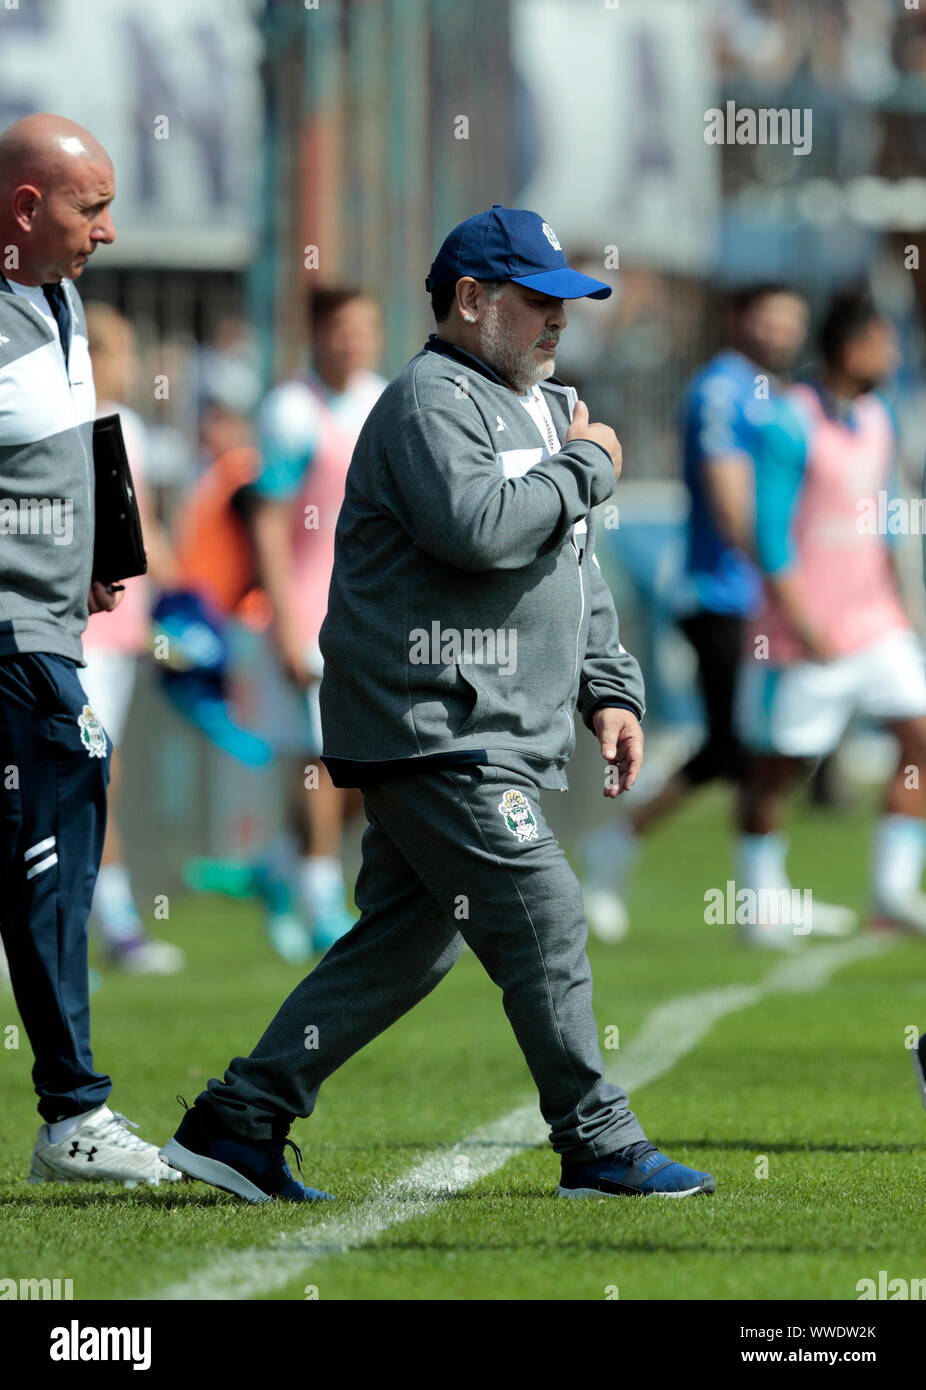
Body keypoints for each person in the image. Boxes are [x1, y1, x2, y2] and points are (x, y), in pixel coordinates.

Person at [161, 205, 716, 1202]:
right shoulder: (429, 398)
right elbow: (477, 529)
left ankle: (240, 1117)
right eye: (535, 300)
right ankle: (596, 1141)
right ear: (469, 299)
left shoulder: (547, 408)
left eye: (567, 303)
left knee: (406, 947)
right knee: (542, 909)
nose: (557, 320)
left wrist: (609, 686)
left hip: (489, 726)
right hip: (433, 720)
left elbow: (571, 564)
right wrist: (589, 463)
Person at [0, 113, 180, 1185]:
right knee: (55, 852)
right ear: (26, 208)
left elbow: (48, 460)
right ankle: (73, 1114)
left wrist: (88, 555)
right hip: (15, 643)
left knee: (45, 856)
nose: (107, 232)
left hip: (49, 620)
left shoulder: (58, 299)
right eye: (90, 207)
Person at [580, 283, 814, 943]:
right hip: (722, 591)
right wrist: (778, 577)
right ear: (738, 318)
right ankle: (740, 892)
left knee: (753, 745)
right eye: (769, 317)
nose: (781, 331)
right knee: (735, 746)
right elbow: (729, 496)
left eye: (791, 320)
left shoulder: (775, 394)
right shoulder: (722, 388)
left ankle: (759, 896)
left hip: (759, 591)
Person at [190, 289, 385, 958]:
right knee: (323, 762)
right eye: (341, 328)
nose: (354, 340)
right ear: (316, 332)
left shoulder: (381, 401)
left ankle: (277, 867)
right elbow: (269, 521)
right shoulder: (290, 411)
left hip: (373, 616)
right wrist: (285, 623)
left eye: (365, 327)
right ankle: (325, 902)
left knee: (372, 768)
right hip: (309, 611)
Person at [736, 291, 926, 942]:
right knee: (776, 767)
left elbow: (886, 525)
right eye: (883, 343)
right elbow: (769, 533)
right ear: (852, 350)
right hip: (806, 634)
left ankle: (893, 890)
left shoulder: (879, 418)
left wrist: (904, 606)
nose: (893, 355)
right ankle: (760, 903)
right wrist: (804, 621)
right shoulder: (790, 421)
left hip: (876, 624)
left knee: (921, 738)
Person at [80, 302, 184, 975]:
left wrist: (187, 609)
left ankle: (104, 921)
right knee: (83, 775)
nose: (130, 366)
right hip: (80, 633)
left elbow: (142, 531)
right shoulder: (70, 424)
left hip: (120, 638)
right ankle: (110, 926)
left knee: (93, 777)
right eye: (115, 352)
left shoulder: (131, 430)